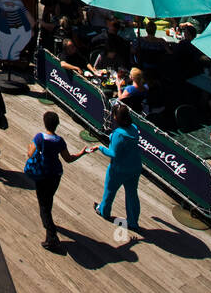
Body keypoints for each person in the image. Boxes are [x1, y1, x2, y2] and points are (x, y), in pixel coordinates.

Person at [26, 110, 88, 252]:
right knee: (48, 199)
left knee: (43, 206)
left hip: (42, 174)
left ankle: (51, 237)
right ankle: (49, 223)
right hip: (55, 175)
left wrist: (30, 147)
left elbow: (30, 154)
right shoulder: (59, 141)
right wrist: (82, 153)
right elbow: (68, 159)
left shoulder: (40, 138)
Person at [89, 101, 143, 232]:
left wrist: (99, 147)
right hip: (135, 167)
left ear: (116, 117)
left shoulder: (119, 134)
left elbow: (113, 153)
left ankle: (103, 211)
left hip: (118, 169)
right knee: (132, 194)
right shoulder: (134, 128)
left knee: (109, 191)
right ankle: (133, 222)